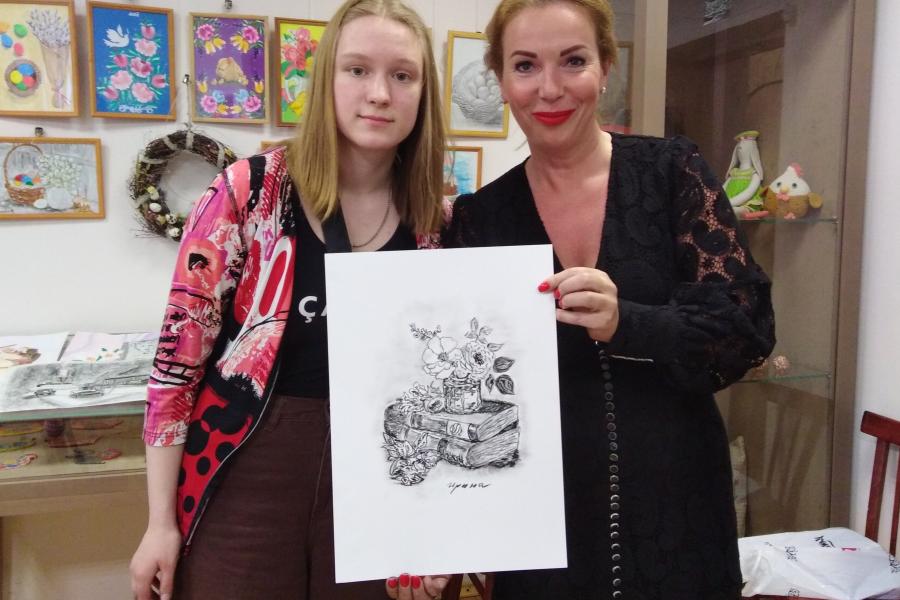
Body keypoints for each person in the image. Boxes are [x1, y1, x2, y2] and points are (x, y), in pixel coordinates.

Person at [443, 1, 776, 598]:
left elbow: (743, 330)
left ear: (605, 67)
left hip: (679, 508)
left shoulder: (672, 172)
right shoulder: (479, 218)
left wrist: (630, 322)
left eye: (573, 61)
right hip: (540, 525)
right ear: (501, 79)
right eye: (525, 65)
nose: (549, 88)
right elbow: (455, 381)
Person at [129, 1, 449, 598]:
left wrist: (438, 528)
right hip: (249, 459)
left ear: (423, 93)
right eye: (357, 69)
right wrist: (159, 524)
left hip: (378, 471)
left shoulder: (437, 219)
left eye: (403, 75)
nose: (380, 93)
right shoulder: (248, 193)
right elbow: (176, 365)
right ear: (326, 79)